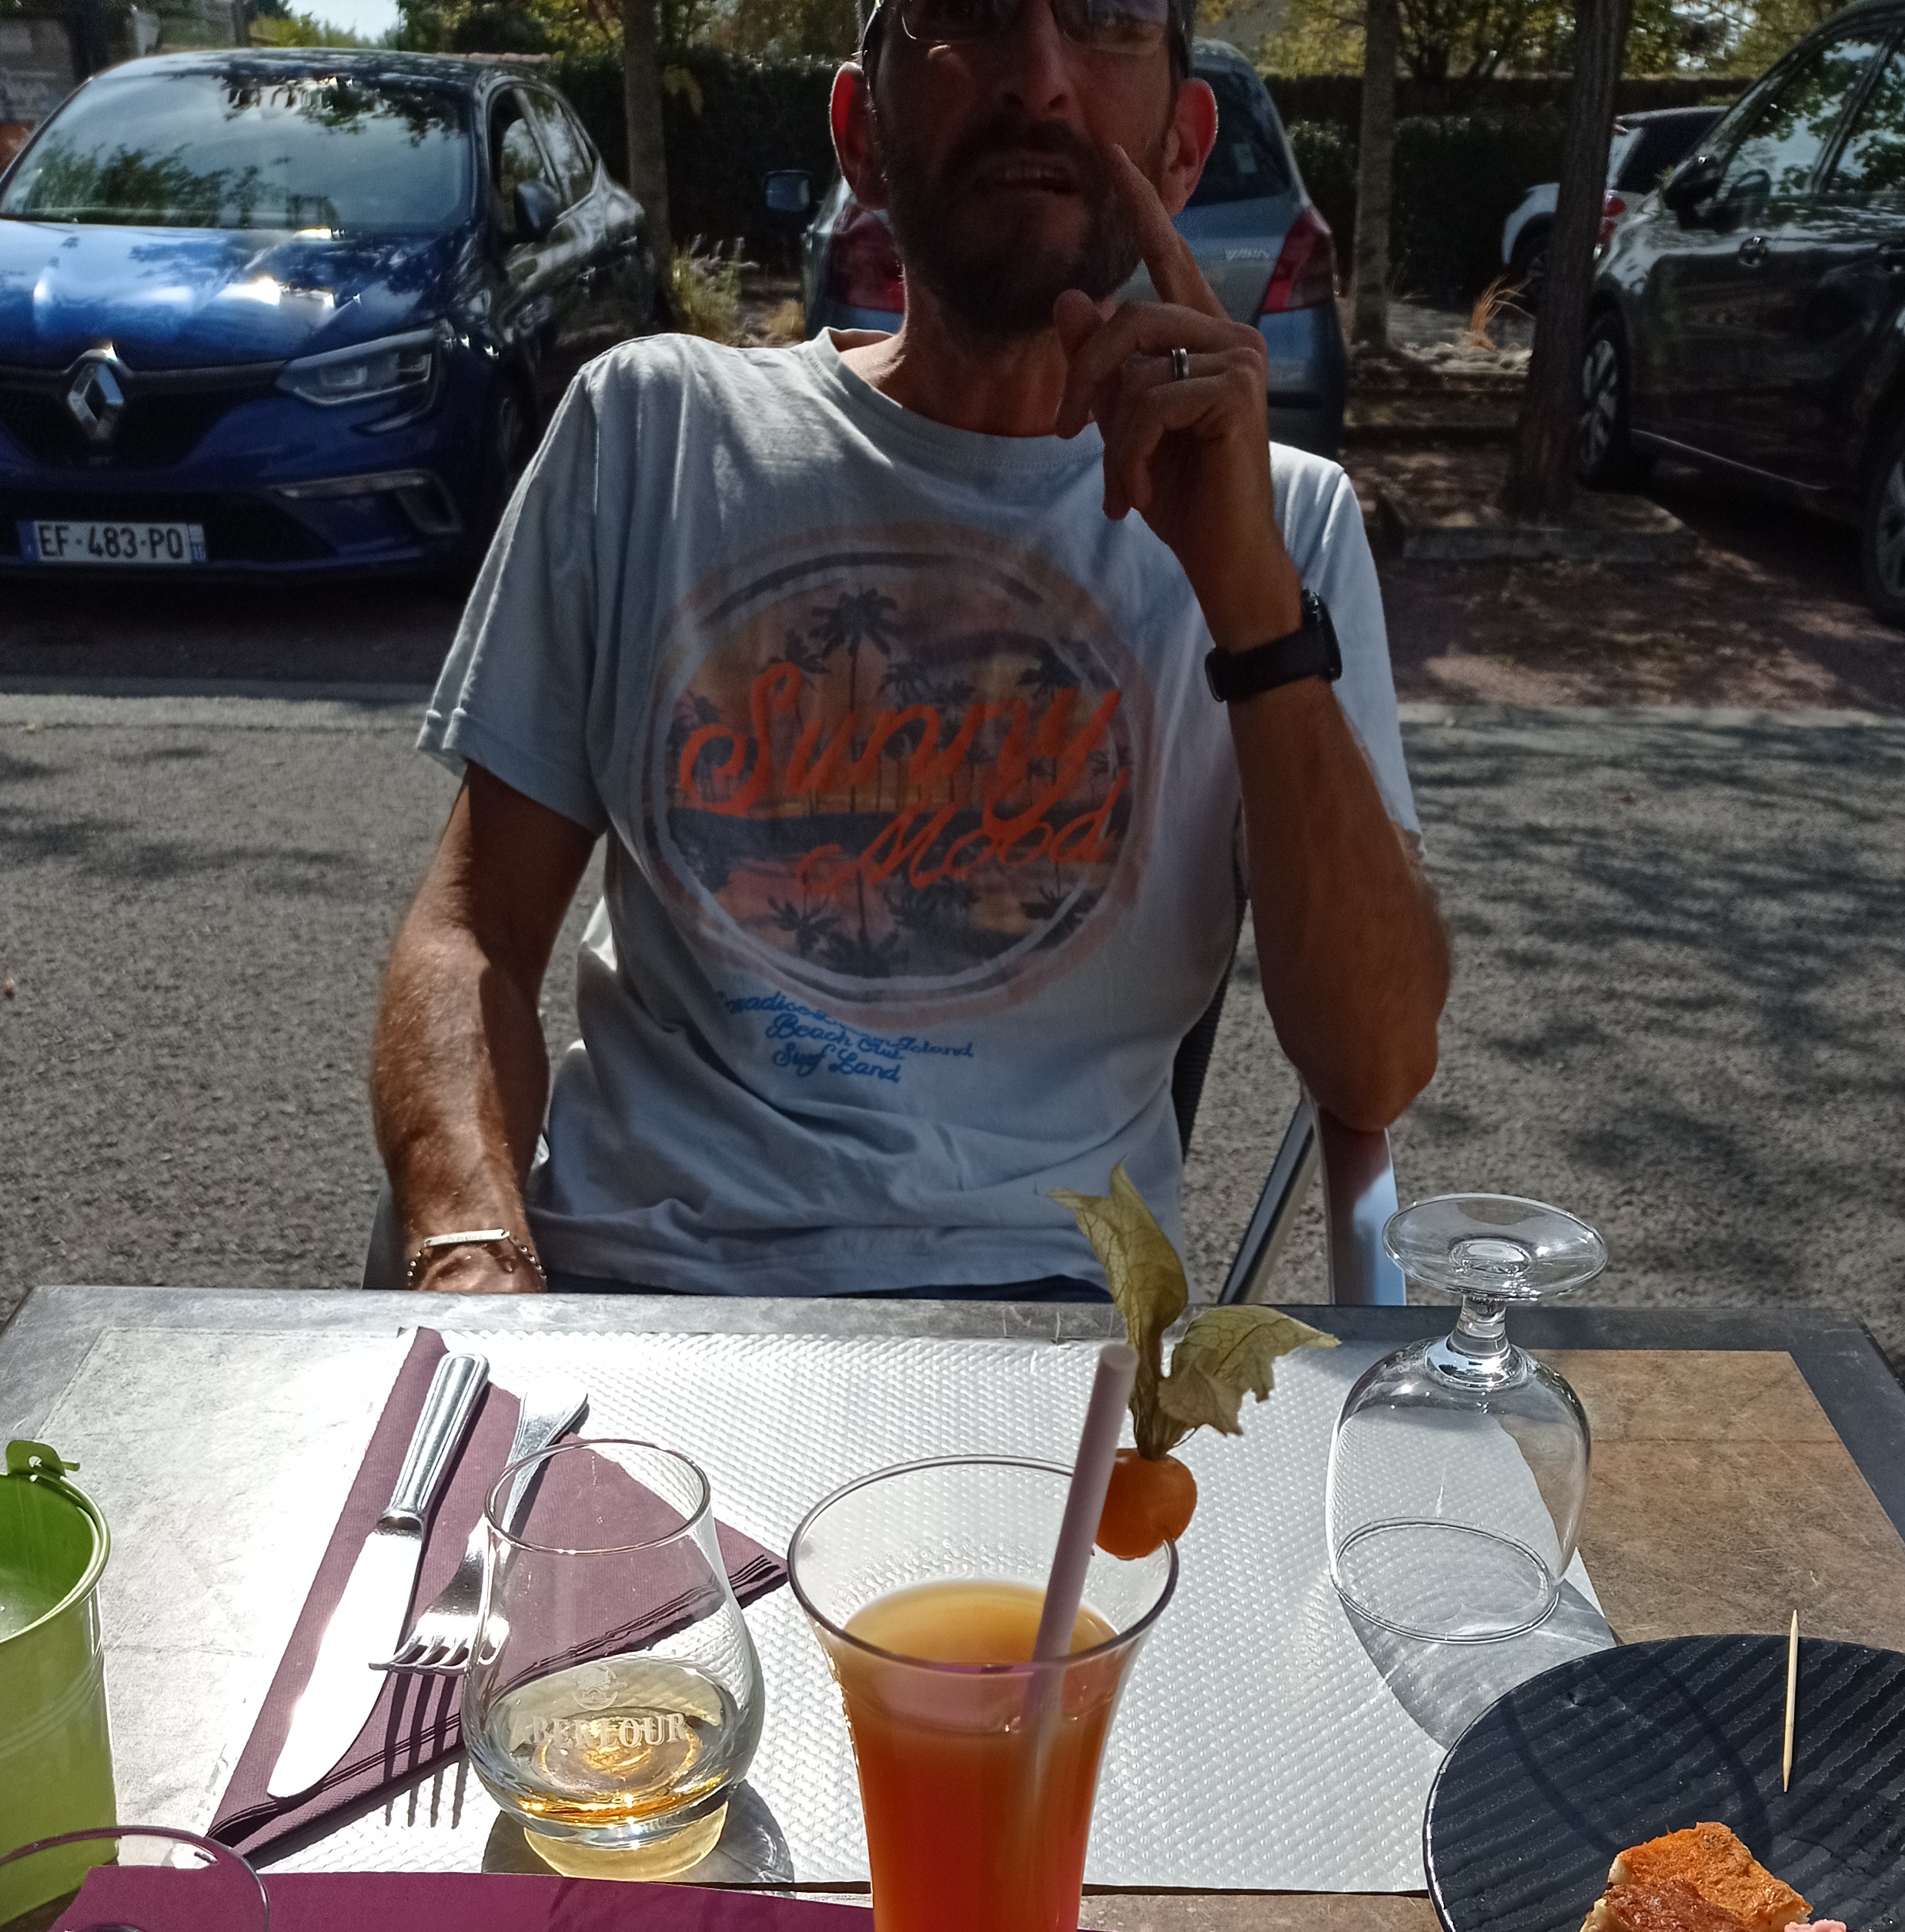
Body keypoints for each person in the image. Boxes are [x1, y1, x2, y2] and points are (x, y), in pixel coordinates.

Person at [371, 0, 1449, 1301]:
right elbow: (474, 932)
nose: (1039, 77)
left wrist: (1254, 605)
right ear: (859, 135)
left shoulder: (1286, 528)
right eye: (967, 12)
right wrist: (471, 1256)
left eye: (1106, 17)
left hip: (1043, 1326)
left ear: (1183, 148)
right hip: (628, 1300)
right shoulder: (649, 432)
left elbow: (1374, 1069)